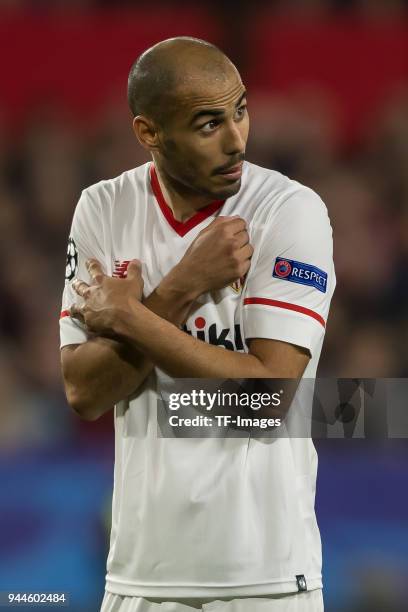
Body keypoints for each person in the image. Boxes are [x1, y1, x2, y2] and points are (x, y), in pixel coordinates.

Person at [60, 37, 335, 612]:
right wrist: (183, 287)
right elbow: (84, 391)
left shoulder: (288, 210)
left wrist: (130, 316)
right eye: (209, 124)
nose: (237, 139)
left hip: (265, 577)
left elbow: (268, 397)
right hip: (138, 576)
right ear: (149, 132)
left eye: (240, 111)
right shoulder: (103, 208)